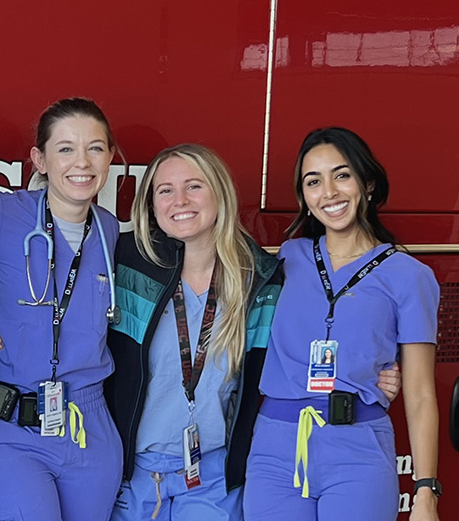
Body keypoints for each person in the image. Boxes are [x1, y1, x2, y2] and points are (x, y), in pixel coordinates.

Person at [104, 144, 400, 521]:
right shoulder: (123, 263)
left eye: (194, 186)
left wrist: (377, 371)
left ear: (219, 193)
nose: (180, 200)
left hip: (213, 478)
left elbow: (319, 328)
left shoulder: (262, 277)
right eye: (165, 190)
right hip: (135, 477)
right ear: (151, 203)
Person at [242, 127, 441, 521]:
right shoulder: (287, 258)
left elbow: (420, 394)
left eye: (342, 175)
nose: (329, 192)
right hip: (275, 450)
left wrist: (425, 491)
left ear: (367, 183)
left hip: (359, 451)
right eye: (313, 181)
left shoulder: (408, 275)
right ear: (304, 197)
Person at [0, 97, 123, 521]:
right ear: (40, 159)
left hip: (89, 427)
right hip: (7, 421)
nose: (81, 162)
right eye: (65, 148)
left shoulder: (107, 229)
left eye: (96, 148)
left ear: (110, 158)